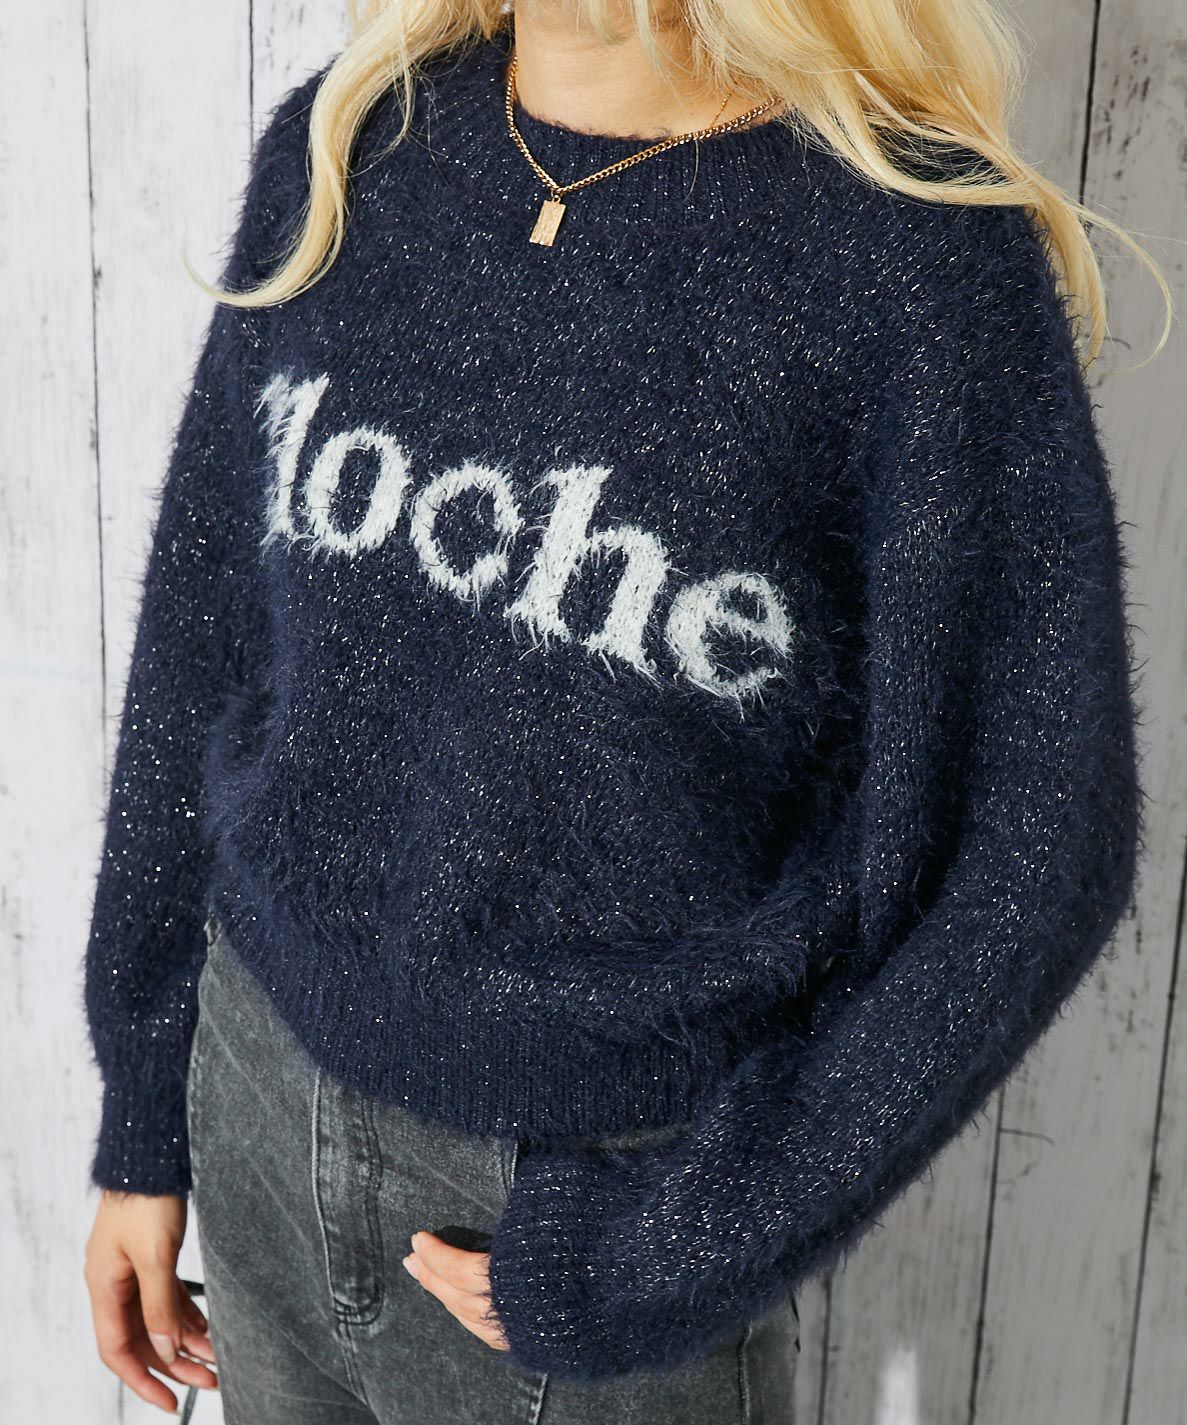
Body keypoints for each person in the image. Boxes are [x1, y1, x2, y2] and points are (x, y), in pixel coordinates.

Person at [80, 1, 1169, 1421]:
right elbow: (201, 643)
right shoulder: (352, 147)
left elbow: (1035, 847)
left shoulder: (912, 259)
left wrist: (680, 1241)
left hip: (579, 1206)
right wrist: (146, 1112)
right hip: (253, 1104)